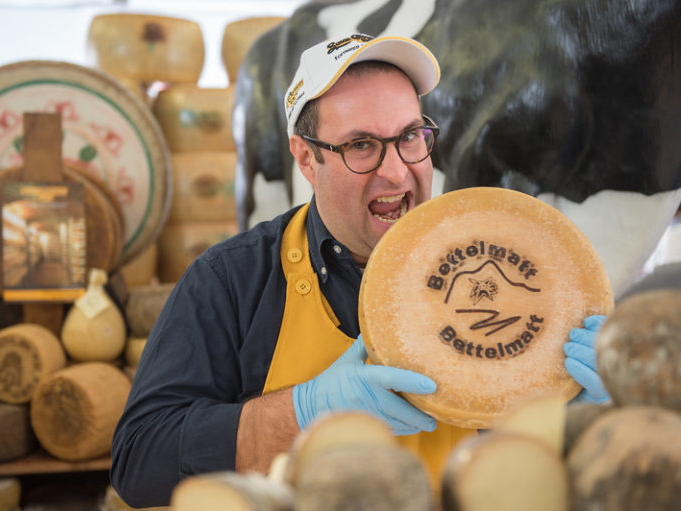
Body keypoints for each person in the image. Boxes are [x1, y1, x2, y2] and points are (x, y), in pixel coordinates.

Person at [110, 33, 609, 507]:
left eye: (410, 136)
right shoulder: (231, 280)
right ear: (306, 158)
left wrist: (586, 418)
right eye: (361, 146)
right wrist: (304, 411)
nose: (396, 171)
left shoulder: (507, 258)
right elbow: (140, 458)